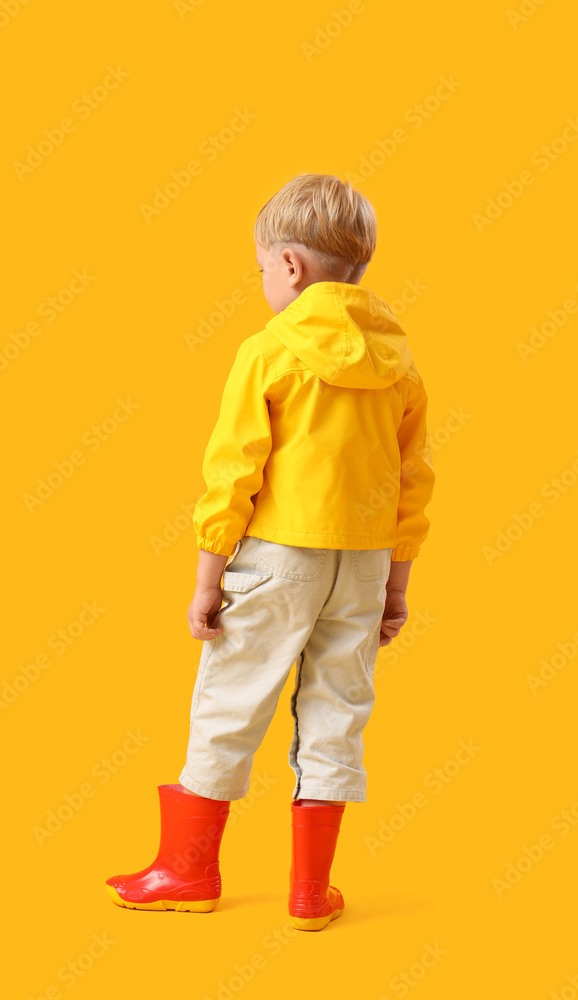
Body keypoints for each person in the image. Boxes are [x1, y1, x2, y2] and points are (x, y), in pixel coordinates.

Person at [106, 173, 435, 931]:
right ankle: (308, 895)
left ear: (288, 266)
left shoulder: (267, 351)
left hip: (275, 559)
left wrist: (205, 579)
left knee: (230, 701)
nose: (262, 281)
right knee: (336, 710)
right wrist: (394, 585)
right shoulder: (399, 363)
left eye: (259, 268)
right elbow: (411, 481)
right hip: (360, 563)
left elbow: (233, 471)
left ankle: (187, 872)